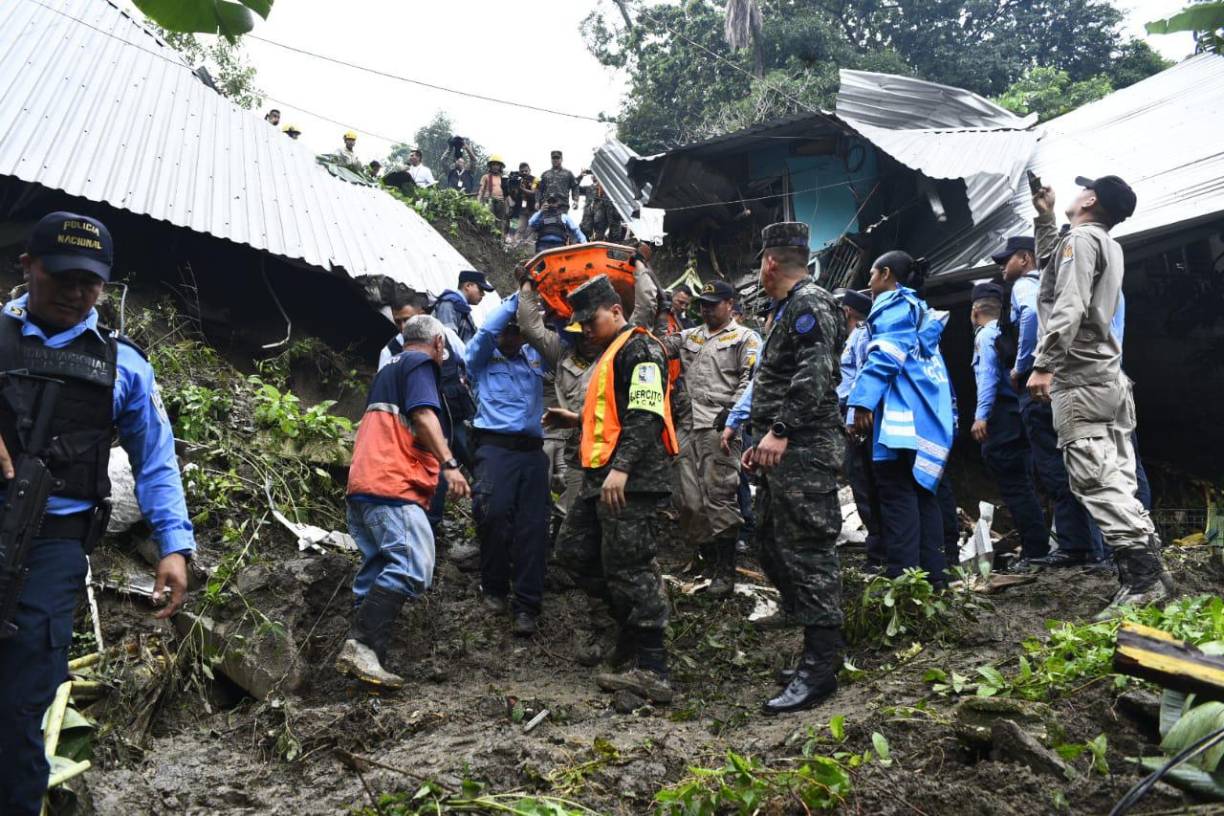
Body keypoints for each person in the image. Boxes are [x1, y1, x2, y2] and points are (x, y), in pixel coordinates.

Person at [0, 212, 195, 814]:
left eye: (90, 281)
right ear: (27, 267)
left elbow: (155, 460)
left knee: (21, 700)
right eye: (61, 276)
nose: (76, 292)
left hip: (53, 544)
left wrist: (174, 544)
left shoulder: (126, 366)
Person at [1026, 175, 1174, 619]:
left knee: (1093, 478)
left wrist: (1044, 363)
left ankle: (1145, 579)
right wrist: (1046, 219)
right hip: (1109, 377)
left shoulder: (1081, 242)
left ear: (1090, 200)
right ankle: (1149, 570)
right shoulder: (1104, 244)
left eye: (1080, 191)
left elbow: (1066, 303)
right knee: (1120, 477)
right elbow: (1056, 274)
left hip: (1080, 377)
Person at [548, 275, 677, 704]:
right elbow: (614, 417)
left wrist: (621, 468)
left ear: (617, 311)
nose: (586, 329)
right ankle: (628, 632)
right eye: (580, 324)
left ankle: (653, 667)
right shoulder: (611, 353)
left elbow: (646, 413)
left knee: (630, 567)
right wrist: (576, 421)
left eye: (592, 319)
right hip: (599, 476)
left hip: (631, 480)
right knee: (573, 555)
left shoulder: (639, 348)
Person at [741, 222, 847, 715]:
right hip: (782, 451)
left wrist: (780, 430)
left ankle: (821, 666)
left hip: (805, 449)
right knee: (768, 538)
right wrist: (762, 439)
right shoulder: (787, 310)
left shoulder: (810, 304)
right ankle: (815, 647)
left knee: (808, 549)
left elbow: (815, 373)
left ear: (769, 263)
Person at [336, 315, 470, 688]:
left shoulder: (389, 368)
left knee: (380, 567)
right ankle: (362, 646)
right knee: (414, 563)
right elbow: (424, 416)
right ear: (439, 344)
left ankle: (366, 665)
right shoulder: (420, 363)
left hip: (365, 484)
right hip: (393, 485)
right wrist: (450, 464)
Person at [848, 251, 954, 588]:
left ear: (886, 274)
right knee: (923, 495)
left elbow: (884, 356)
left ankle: (904, 581)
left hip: (899, 423)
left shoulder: (893, 304)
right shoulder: (922, 312)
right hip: (926, 420)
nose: (868, 282)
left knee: (896, 497)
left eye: (872, 273)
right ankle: (934, 579)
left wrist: (861, 403)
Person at [995, 235, 1102, 569]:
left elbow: (1028, 315)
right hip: (1075, 385)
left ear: (1026, 258)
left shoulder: (1026, 287)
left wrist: (1024, 364)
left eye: (1006, 259)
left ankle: (1075, 547)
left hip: (1042, 390)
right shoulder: (1064, 287)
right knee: (1080, 466)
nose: (1002, 266)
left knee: (1056, 470)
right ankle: (1092, 548)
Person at [658, 280, 760, 596]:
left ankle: (725, 570)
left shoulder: (746, 338)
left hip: (721, 427)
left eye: (713, 303)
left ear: (730, 304)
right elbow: (658, 346)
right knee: (687, 499)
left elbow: (752, 380)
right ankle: (706, 556)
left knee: (720, 495)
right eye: (702, 303)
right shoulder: (690, 336)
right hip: (686, 425)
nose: (705, 308)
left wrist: (734, 417)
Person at [465, 296, 549, 636]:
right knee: (492, 514)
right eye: (507, 330)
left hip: (532, 451)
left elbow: (560, 336)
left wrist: (536, 306)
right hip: (494, 448)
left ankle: (527, 605)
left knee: (534, 527)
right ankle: (495, 587)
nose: (511, 336)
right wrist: (519, 296)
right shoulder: (481, 359)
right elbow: (485, 332)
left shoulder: (535, 358)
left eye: (517, 331)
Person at [969, 282, 1048, 568]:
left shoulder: (986, 335)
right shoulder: (1007, 330)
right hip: (1020, 414)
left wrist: (981, 415)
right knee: (1025, 483)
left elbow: (987, 378)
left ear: (976, 311)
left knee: (1015, 486)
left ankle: (1035, 551)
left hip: (1002, 418)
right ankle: (1036, 546)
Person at [834, 288, 883, 571]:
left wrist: (853, 417)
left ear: (847, 312)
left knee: (868, 485)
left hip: (860, 421)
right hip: (849, 417)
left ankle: (879, 554)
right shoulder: (851, 339)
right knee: (861, 484)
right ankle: (877, 552)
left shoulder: (863, 336)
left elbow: (862, 379)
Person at [432, 270, 495, 344]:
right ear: (468, 286)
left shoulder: (462, 309)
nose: (483, 294)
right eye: (481, 289)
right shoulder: (448, 304)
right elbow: (447, 341)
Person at [477, 155, 510, 236]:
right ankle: (485, 236)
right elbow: (481, 190)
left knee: (500, 222)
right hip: (489, 200)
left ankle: (497, 239)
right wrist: (478, 201)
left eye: (497, 165)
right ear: (490, 166)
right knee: (488, 219)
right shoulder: (486, 177)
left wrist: (508, 206)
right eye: (493, 164)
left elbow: (507, 194)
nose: (495, 166)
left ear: (500, 167)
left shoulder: (503, 178)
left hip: (501, 202)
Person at [508, 162, 537, 239]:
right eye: (522, 171)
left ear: (529, 170)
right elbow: (511, 194)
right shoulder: (517, 179)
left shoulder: (534, 180)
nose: (524, 173)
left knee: (531, 228)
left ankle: (527, 246)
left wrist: (523, 189)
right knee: (517, 228)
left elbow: (533, 192)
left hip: (532, 208)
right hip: (520, 208)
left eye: (526, 171)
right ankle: (513, 244)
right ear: (519, 171)